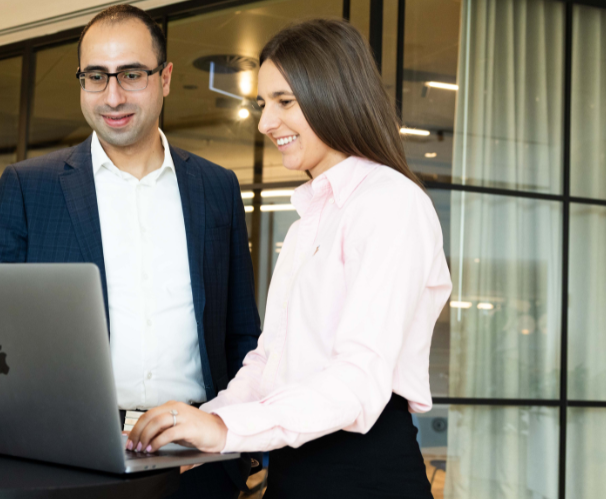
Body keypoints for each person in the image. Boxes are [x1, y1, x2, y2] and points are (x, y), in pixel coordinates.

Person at [126, 19, 453, 498]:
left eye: (285, 102)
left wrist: (223, 430)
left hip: (364, 475)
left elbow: (357, 381)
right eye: (263, 104)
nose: (265, 122)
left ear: (333, 94)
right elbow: (265, 363)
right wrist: (196, 422)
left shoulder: (393, 205)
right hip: (294, 469)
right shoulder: (306, 225)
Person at [0, 5, 260, 498]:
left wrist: (242, 448)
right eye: (95, 77)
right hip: (68, 457)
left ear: (165, 78)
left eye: (131, 74)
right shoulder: (29, 187)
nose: (113, 96)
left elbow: (240, 331)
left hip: (199, 462)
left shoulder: (217, 187)